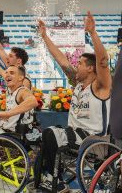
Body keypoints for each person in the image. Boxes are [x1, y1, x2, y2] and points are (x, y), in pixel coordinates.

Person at [37, 12, 111, 192]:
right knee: (44, 140)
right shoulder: (78, 84)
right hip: (75, 135)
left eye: (80, 63)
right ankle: (49, 180)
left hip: (94, 139)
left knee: (50, 134)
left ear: (90, 68)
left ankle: (57, 181)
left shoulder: (101, 87)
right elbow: (61, 60)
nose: (75, 65)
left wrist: (93, 33)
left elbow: (102, 62)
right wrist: (45, 37)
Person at [0, 66, 38, 136]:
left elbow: (33, 101)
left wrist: (8, 113)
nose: (7, 75)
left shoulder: (23, 91)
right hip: (8, 129)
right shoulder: (10, 92)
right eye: (6, 73)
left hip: (18, 134)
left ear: (20, 77)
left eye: (12, 73)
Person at [0, 23, 31, 89]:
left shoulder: (25, 80)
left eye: (11, 56)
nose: (7, 57)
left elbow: (27, 98)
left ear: (19, 61)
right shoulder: (12, 72)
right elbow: (0, 49)